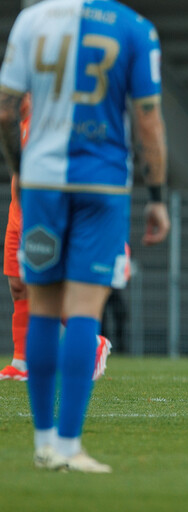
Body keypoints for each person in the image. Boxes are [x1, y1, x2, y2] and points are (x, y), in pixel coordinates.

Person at [0, 0, 170, 472]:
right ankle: (71, 447)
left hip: (43, 183)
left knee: (43, 305)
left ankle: (44, 443)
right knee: (84, 310)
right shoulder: (136, 29)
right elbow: (147, 119)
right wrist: (158, 195)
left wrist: (19, 171)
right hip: (101, 184)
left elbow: (5, 110)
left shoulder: (32, 21)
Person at [1, 100, 114, 383]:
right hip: (17, 212)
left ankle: (91, 342)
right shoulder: (19, 124)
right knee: (17, 285)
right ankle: (21, 361)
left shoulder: (50, 121)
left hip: (39, 214)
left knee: (42, 290)